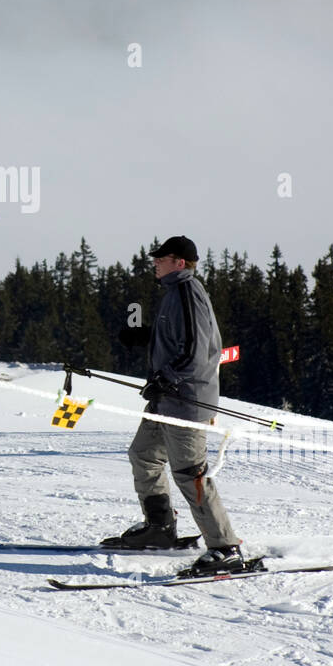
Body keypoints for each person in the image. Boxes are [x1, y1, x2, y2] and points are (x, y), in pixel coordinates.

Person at [101, 235, 244, 575]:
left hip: (185, 400)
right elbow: (177, 339)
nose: (155, 262)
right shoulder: (172, 293)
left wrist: (169, 377)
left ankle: (226, 548)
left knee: (189, 473)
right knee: (144, 454)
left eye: (161, 258)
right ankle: (160, 527)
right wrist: (146, 336)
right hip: (167, 397)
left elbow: (197, 349)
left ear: (179, 262)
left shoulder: (187, 292)